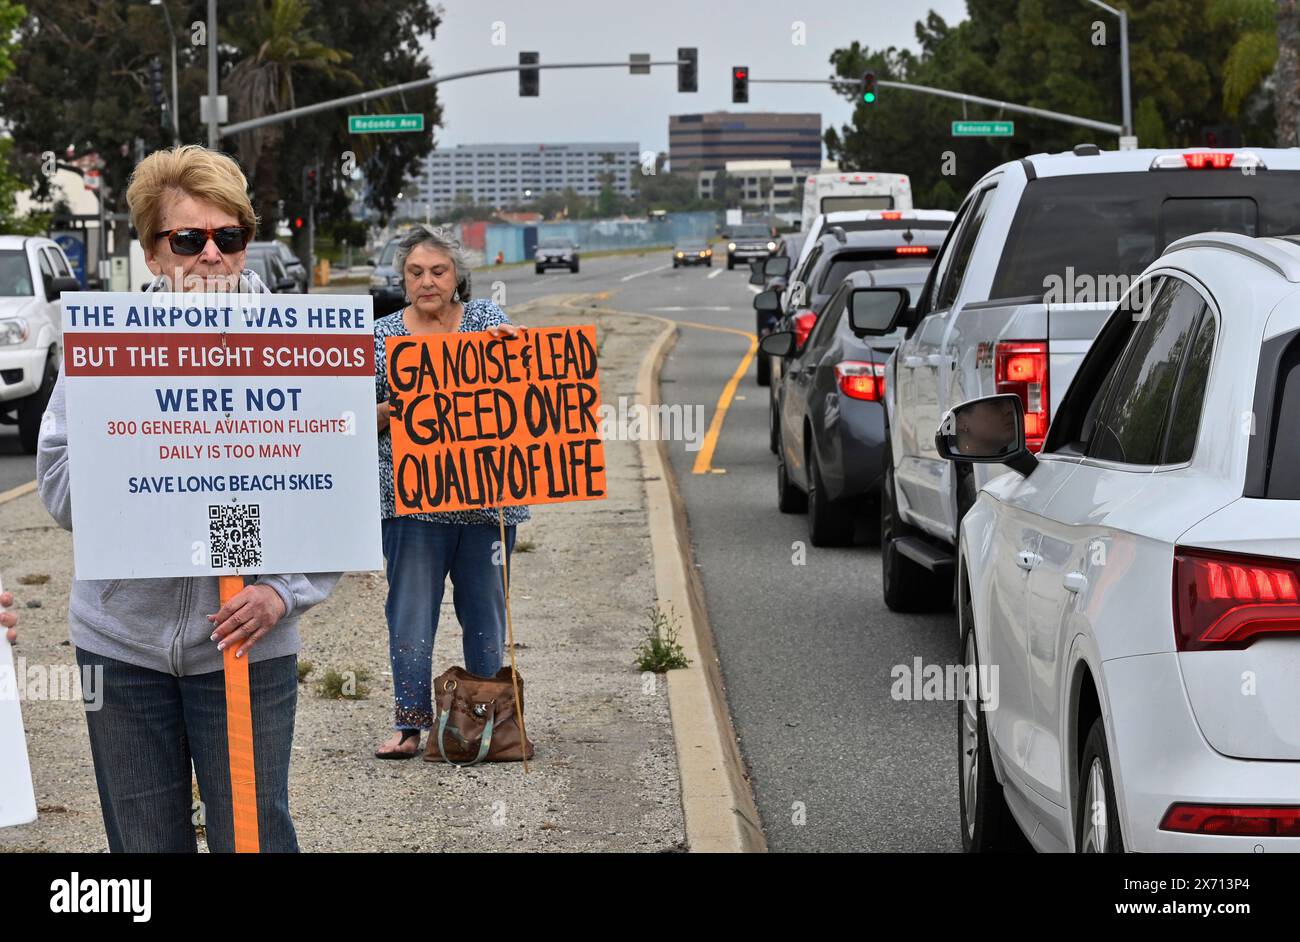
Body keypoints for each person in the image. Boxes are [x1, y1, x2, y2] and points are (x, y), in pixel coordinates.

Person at [36, 144, 340, 852]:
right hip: (122, 647)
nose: (211, 256)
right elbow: (56, 485)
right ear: (151, 250)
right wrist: (141, 446)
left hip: (244, 641)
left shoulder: (298, 345)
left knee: (252, 837)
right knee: (143, 846)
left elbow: (334, 493)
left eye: (228, 237)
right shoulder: (106, 346)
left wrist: (282, 591)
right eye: (188, 239)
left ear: (246, 242)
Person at [372, 225, 527, 759]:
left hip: (486, 505)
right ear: (403, 279)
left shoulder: (486, 320)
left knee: (485, 615)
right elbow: (355, 418)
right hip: (411, 505)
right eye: (415, 272)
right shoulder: (382, 336)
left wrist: (516, 354)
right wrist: (399, 410)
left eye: (438, 271)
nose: (427, 281)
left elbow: (525, 378)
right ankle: (410, 724)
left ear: (457, 275)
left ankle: (482, 723)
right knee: (410, 614)